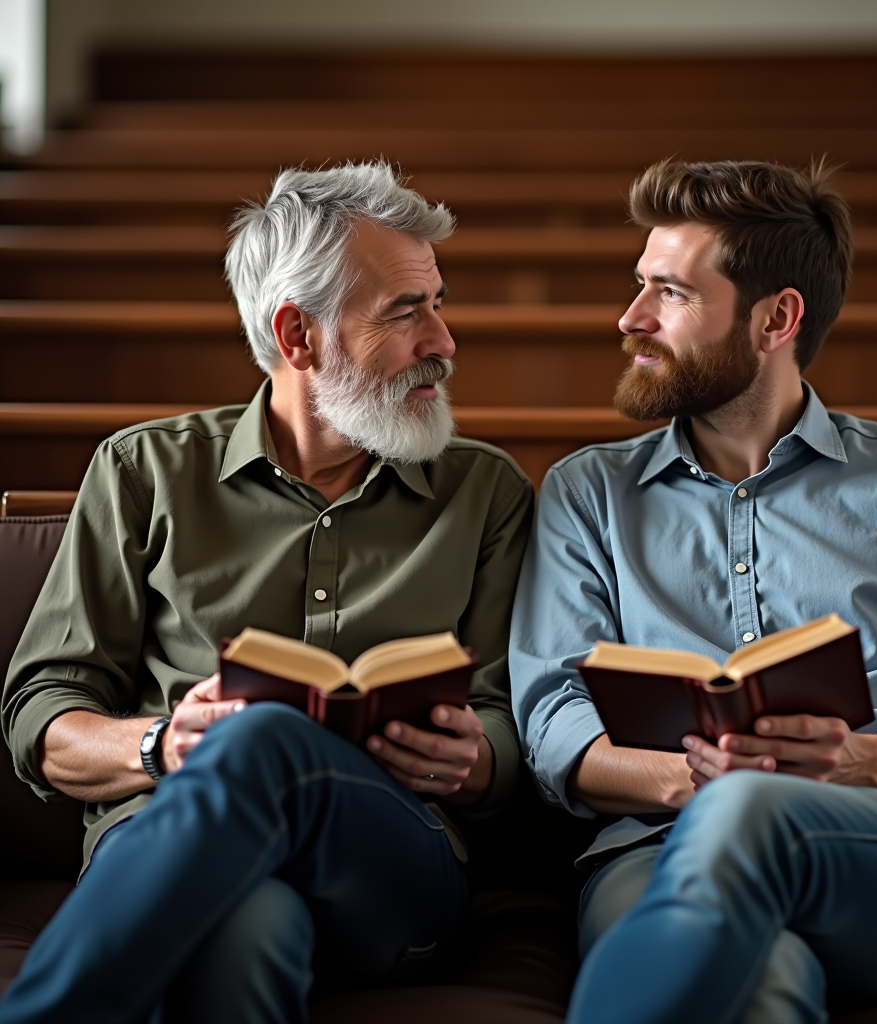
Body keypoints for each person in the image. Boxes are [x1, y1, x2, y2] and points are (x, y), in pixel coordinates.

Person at [0, 161, 533, 1024]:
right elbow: (42, 713)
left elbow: (513, 719)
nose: (444, 340)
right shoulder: (145, 472)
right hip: (167, 845)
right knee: (245, 925)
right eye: (407, 311)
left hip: (392, 868)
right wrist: (160, 744)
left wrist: (479, 759)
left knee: (265, 741)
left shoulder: (484, 495)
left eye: (437, 301)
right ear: (298, 335)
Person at [509, 159, 877, 1024]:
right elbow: (554, 715)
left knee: (749, 815)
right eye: (640, 286)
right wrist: (684, 781)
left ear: (776, 317)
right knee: (765, 985)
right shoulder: (586, 494)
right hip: (654, 849)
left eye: (670, 294)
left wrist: (868, 764)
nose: (630, 319)